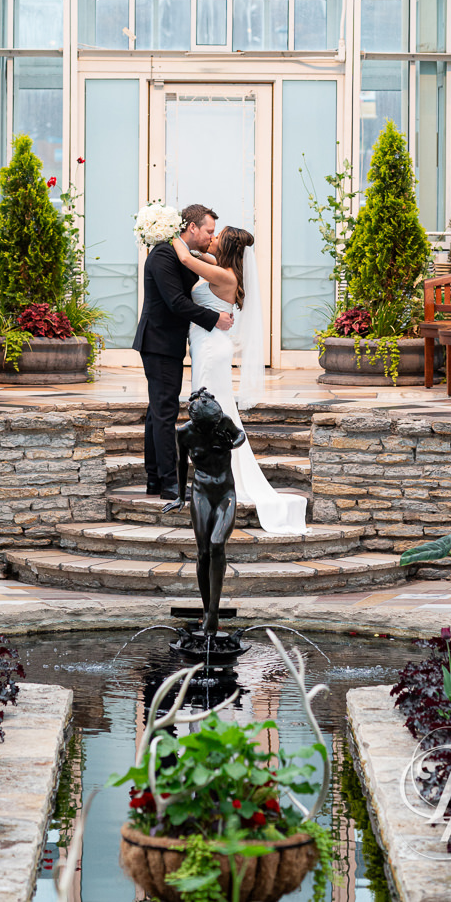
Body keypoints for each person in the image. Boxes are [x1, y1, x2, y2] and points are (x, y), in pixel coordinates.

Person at [169, 225, 308, 535]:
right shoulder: (221, 266)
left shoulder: (226, 276)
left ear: (228, 247)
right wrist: (195, 243)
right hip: (206, 345)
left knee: (212, 412)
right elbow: (198, 254)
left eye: (218, 236)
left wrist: (167, 232)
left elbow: (189, 260)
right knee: (214, 411)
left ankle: (217, 476)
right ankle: (211, 473)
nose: (212, 238)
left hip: (212, 350)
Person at [133, 203, 234, 499]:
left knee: (157, 412)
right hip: (159, 342)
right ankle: (170, 485)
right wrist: (214, 318)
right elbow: (176, 302)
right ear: (192, 228)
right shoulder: (164, 255)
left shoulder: (184, 253)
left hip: (168, 343)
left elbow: (213, 262)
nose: (211, 237)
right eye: (208, 231)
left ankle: (154, 479)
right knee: (164, 413)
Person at [163, 388, 244, 635]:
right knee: (204, 552)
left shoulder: (223, 421)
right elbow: (181, 464)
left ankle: (214, 612)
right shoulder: (184, 432)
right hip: (201, 492)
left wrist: (232, 445)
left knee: (218, 542)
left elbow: (240, 435)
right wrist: (180, 496)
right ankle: (207, 609)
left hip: (225, 492)